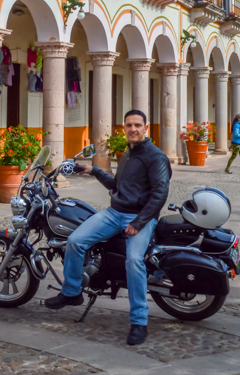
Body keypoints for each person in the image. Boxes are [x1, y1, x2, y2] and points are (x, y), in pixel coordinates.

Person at [44, 109, 171, 346]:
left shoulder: (156, 157)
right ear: (124, 128)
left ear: (146, 128)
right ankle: (72, 293)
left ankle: (139, 322)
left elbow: (160, 195)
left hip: (141, 217)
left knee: (133, 261)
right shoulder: (127, 154)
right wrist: (94, 171)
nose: (132, 129)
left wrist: (138, 223)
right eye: (128, 125)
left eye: (137, 125)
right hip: (115, 213)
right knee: (75, 240)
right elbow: (117, 185)